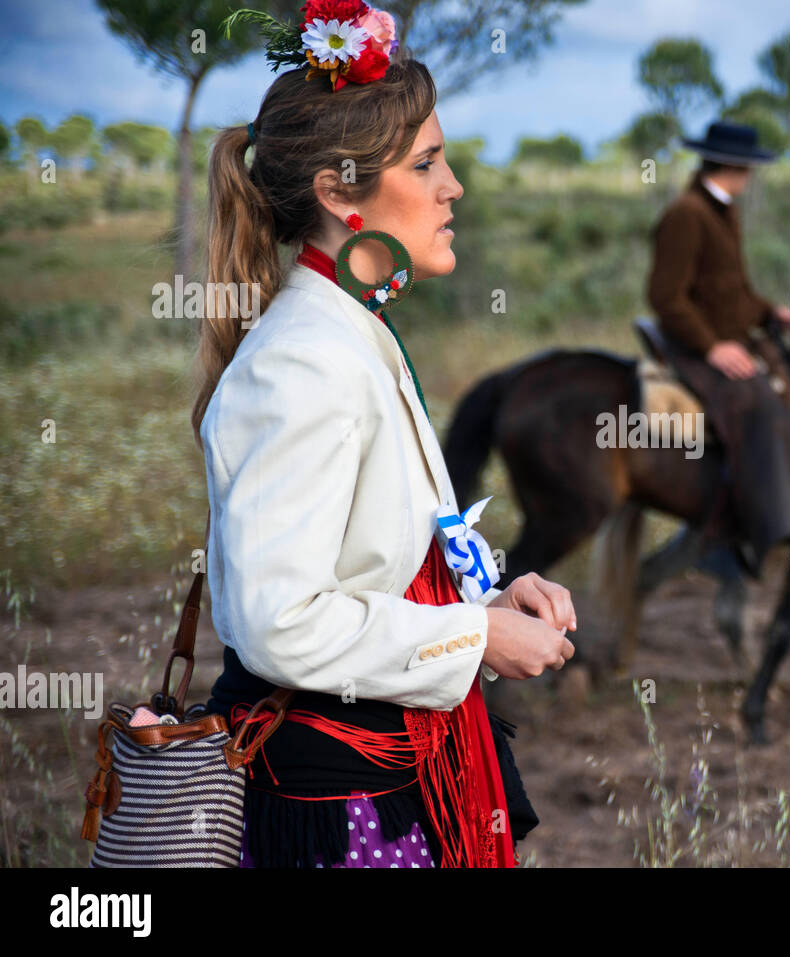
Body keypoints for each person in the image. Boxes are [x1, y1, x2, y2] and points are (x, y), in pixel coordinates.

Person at [194, 2, 574, 868]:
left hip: (395, 776)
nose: (454, 187)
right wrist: (474, 640)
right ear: (337, 190)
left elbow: (374, 564)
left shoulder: (357, 328)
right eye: (428, 163)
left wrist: (490, 602)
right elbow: (279, 621)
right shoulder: (301, 361)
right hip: (342, 806)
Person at [647, 120, 790, 574]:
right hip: (694, 347)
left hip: (730, 339)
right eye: (749, 166)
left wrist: (768, 311)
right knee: (756, 403)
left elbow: (731, 289)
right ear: (736, 167)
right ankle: (727, 533)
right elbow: (666, 298)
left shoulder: (723, 209)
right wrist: (712, 348)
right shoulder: (687, 213)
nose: (751, 175)